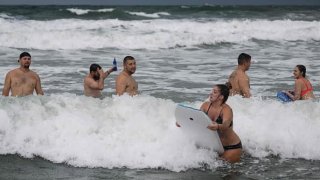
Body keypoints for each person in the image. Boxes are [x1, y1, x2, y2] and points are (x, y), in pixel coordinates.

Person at [201, 84, 242, 163]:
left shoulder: (226, 110)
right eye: (212, 91)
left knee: (226, 173)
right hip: (216, 147)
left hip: (231, 147)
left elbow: (226, 124)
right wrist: (183, 122)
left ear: (221, 97)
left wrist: (218, 126)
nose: (211, 93)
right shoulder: (205, 105)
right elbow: (197, 119)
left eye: (215, 92)